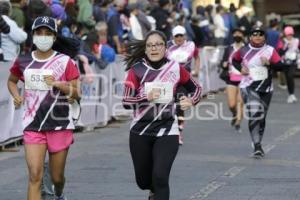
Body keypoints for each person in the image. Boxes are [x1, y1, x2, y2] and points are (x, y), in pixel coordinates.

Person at [7, 16, 80, 200]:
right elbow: (12, 81)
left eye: (48, 33)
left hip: (59, 124)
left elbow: (77, 92)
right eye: (39, 33)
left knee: (57, 177)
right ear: (33, 35)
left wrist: (57, 83)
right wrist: (16, 96)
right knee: (35, 176)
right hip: (33, 125)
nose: (43, 37)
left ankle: (59, 193)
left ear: (55, 37)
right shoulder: (23, 60)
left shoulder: (65, 61)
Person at [122, 30, 201, 200]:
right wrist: (145, 97)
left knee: (160, 177)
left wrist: (192, 100)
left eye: (158, 44)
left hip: (167, 129)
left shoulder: (175, 68)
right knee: (143, 181)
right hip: (140, 131)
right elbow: (126, 101)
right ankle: (152, 191)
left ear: (166, 47)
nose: (154, 48)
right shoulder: (136, 70)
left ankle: (157, 190)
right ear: (145, 49)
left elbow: (197, 88)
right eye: (150, 45)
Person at [232, 26, 284, 158]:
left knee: (261, 117)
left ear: (264, 37)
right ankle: (257, 146)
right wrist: (240, 69)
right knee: (255, 113)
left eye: (260, 35)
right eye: (255, 34)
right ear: (250, 37)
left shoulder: (270, 50)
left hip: (266, 88)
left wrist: (268, 64)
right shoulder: (243, 50)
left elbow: (280, 66)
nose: (258, 37)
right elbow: (234, 60)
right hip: (248, 86)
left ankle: (257, 141)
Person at [166, 25, 200, 145]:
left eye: (181, 35)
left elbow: (197, 57)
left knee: (180, 106)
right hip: (169, 81)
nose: (179, 38)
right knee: (168, 107)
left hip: (184, 81)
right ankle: (168, 130)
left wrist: (196, 69)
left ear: (185, 36)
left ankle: (179, 133)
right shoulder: (168, 46)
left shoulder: (191, 45)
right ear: (173, 36)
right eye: (177, 36)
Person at [220, 28, 245, 132]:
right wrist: (223, 64)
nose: (237, 35)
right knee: (232, 104)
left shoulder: (247, 48)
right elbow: (223, 61)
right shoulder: (229, 48)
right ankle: (235, 113)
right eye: (235, 33)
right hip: (231, 77)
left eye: (239, 33)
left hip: (244, 78)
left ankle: (238, 122)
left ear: (243, 35)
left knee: (241, 102)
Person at [278, 26, 299, 103]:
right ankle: (291, 95)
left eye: (290, 34)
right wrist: (286, 47)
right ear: (285, 35)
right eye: (288, 34)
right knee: (288, 79)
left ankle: (292, 95)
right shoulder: (282, 41)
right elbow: (280, 53)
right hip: (285, 62)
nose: (289, 36)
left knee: (290, 76)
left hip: (293, 62)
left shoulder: (296, 41)